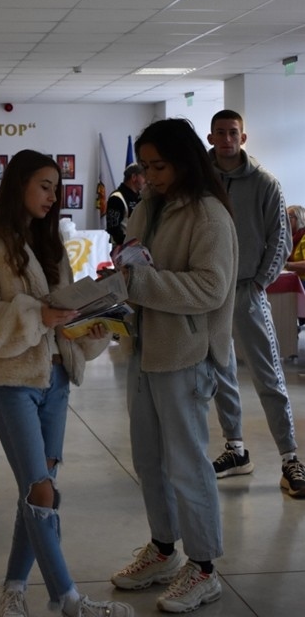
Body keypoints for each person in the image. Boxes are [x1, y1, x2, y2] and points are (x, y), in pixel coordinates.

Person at [0, 149, 133, 617]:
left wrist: (91, 326)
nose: (53, 197)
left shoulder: (50, 242)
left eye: (57, 188)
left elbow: (62, 315)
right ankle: (66, 599)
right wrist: (37, 315)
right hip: (12, 382)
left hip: (56, 380)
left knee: (37, 491)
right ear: (19, 185)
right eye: (44, 186)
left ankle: (14, 588)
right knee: (42, 492)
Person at [110, 118, 238, 613]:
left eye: (159, 166)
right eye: (145, 166)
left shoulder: (208, 215)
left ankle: (203, 567)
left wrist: (140, 283)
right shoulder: (147, 207)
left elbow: (211, 288)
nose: (150, 176)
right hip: (144, 351)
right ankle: (163, 550)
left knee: (187, 465)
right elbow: (135, 265)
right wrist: (115, 287)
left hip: (185, 356)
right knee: (148, 460)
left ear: (185, 161)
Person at [207, 110, 305, 498]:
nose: (227, 139)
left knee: (269, 377)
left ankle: (290, 458)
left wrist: (260, 282)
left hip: (248, 290)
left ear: (242, 138)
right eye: (220, 133)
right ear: (211, 138)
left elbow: (280, 238)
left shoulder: (265, 183)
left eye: (233, 133)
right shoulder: (200, 181)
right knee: (221, 373)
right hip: (211, 293)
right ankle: (235, 449)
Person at [106, 163, 145, 246]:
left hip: (139, 247)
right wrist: (127, 245)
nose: (146, 180)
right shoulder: (116, 198)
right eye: (144, 176)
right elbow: (113, 228)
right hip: (122, 248)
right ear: (134, 177)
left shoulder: (141, 198)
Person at [285, 205, 305, 281]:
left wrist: (285, 264)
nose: (285, 219)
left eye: (289, 216)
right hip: (293, 279)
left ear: (300, 218)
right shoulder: (288, 238)